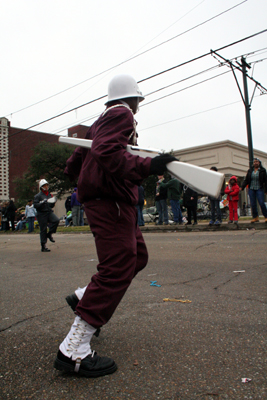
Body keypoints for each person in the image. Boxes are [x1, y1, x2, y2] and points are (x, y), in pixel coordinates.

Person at [54, 74, 176, 378]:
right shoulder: (123, 114)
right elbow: (108, 152)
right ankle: (73, 351)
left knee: (137, 255)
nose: (139, 105)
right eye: (139, 99)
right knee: (119, 265)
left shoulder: (99, 122)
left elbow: (74, 164)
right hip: (112, 201)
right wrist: (149, 166)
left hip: (108, 199)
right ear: (132, 98)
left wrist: (88, 176)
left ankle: (84, 297)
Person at [34, 179, 59, 252]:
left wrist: (53, 202)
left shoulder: (49, 194)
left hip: (48, 212)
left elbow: (51, 206)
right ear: (41, 187)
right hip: (41, 213)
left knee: (56, 220)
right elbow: (35, 205)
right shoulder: (38, 196)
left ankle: (50, 233)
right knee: (43, 229)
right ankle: (43, 245)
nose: (46, 187)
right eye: (44, 185)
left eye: (47, 185)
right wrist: (42, 203)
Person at [241, 157, 267, 223]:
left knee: (261, 203)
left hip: (259, 188)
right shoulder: (250, 170)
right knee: (253, 204)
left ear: (259, 163)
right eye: (254, 162)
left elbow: (266, 181)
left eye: (257, 162)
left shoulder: (262, 170)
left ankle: (266, 216)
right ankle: (255, 217)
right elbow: (246, 180)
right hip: (251, 189)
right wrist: (242, 187)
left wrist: (266, 190)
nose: (255, 163)